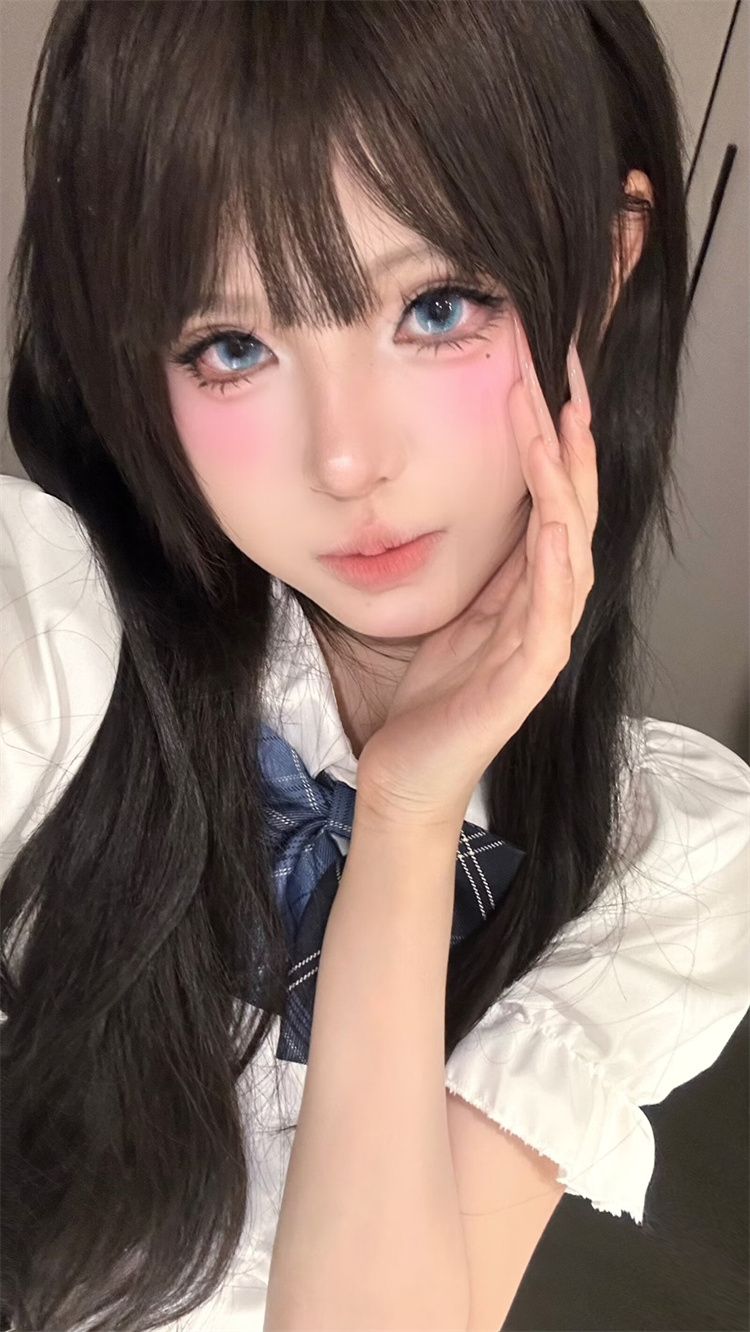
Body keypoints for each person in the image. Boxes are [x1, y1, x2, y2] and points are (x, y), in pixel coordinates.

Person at [1, 2, 748, 1329]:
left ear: (608, 266)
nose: (345, 460)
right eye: (231, 346)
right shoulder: (44, 623)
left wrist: (407, 814)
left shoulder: (668, 850)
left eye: (435, 306)